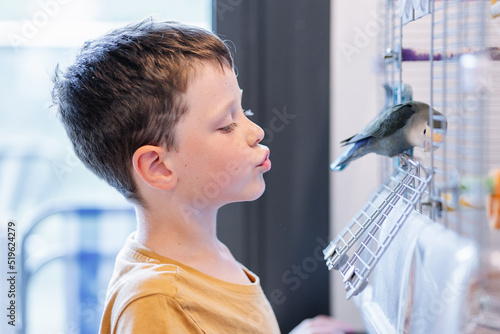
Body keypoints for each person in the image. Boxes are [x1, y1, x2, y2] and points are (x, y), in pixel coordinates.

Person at [52, 18, 354, 334]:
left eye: (245, 112)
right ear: (158, 167)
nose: (256, 132)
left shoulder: (207, 256)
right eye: (226, 124)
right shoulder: (156, 302)